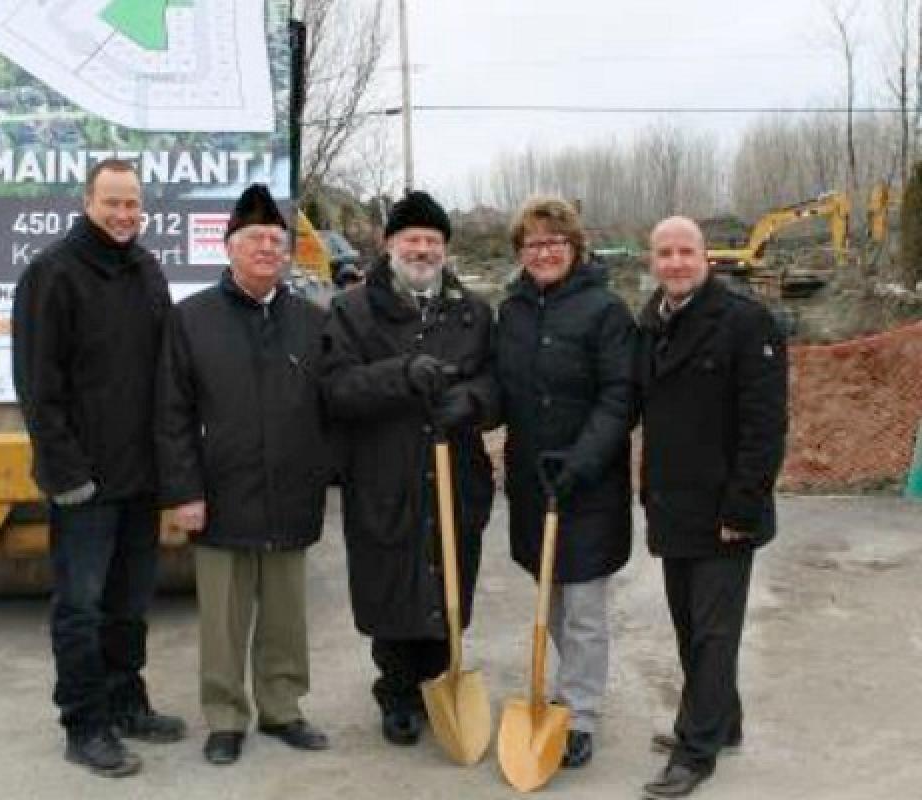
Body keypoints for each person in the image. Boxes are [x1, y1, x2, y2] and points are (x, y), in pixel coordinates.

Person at [11, 159, 186, 777]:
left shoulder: (146, 269)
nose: (123, 214)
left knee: (130, 603)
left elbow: (166, 372)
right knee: (81, 607)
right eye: (112, 202)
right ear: (88, 201)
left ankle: (126, 702)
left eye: (132, 204)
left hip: (140, 478)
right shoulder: (51, 272)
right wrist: (67, 475)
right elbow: (37, 387)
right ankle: (85, 724)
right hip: (84, 482)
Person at [156, 184, 332, 766]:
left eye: (275, 240)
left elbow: (330, 405)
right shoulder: (191, 319)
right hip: (220, 493)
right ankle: (225, 717)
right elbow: (172, 413)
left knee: (285, 616)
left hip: (290, 492)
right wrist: (184, 492)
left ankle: (283, 709)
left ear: (287, 252)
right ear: (228, 247)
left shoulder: (311, 321)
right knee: (223, 622)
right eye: (253, 238)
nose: (265, 248)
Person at [319, 190, 496, 746]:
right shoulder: (351, 310)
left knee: (448, 575)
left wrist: (472, 402)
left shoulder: (473, 312)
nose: (422, 249)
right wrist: (401, 374)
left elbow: (496, 383)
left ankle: (436, 680)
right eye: (412, 238)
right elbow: (336, 389)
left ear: (445, 248)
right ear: (389, 243)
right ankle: (396, 689)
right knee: (391, 578)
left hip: (453, 469)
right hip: (384, 471)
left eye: (433, 240)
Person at [637, 216, 788, 798]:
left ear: (708, 257)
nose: (675, 262)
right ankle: (723, 720)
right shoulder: (652, 322)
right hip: (673, 505)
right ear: (653, 261)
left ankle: (696, 750)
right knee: (688, 625)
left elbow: (765, 426)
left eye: (686, 251)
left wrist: (743, 508)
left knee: (712, 634)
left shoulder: (746, 322)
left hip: (727, 512)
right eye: (665, 252)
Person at [494, 197, 636, 769]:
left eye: (555, 242)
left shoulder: (606, 312)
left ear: (575, 249)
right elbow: (502, 388)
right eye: (532, 243)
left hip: (589, 483)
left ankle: (579, 714)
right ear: (520, 253)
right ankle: (574, 688)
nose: (544, 251)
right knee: (550, 600)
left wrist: (582, 461)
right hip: (534, 483)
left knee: (582, 607)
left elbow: (621, 395)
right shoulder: (511, 312)